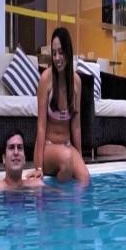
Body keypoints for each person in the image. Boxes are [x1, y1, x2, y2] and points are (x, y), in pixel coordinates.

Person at [32, 26, 91, 186]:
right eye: (54, 53)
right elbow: (41, 126)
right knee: (66, 158)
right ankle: (57, 204)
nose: (57, 58)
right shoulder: (46, 79)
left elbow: (76, 127)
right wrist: (38, 166)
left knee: (85, 178)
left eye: (61, 52)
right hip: (47, 148)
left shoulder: (76, 82)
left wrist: (78, 157)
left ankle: (74, 208)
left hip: (66, 146)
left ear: (68, 52)